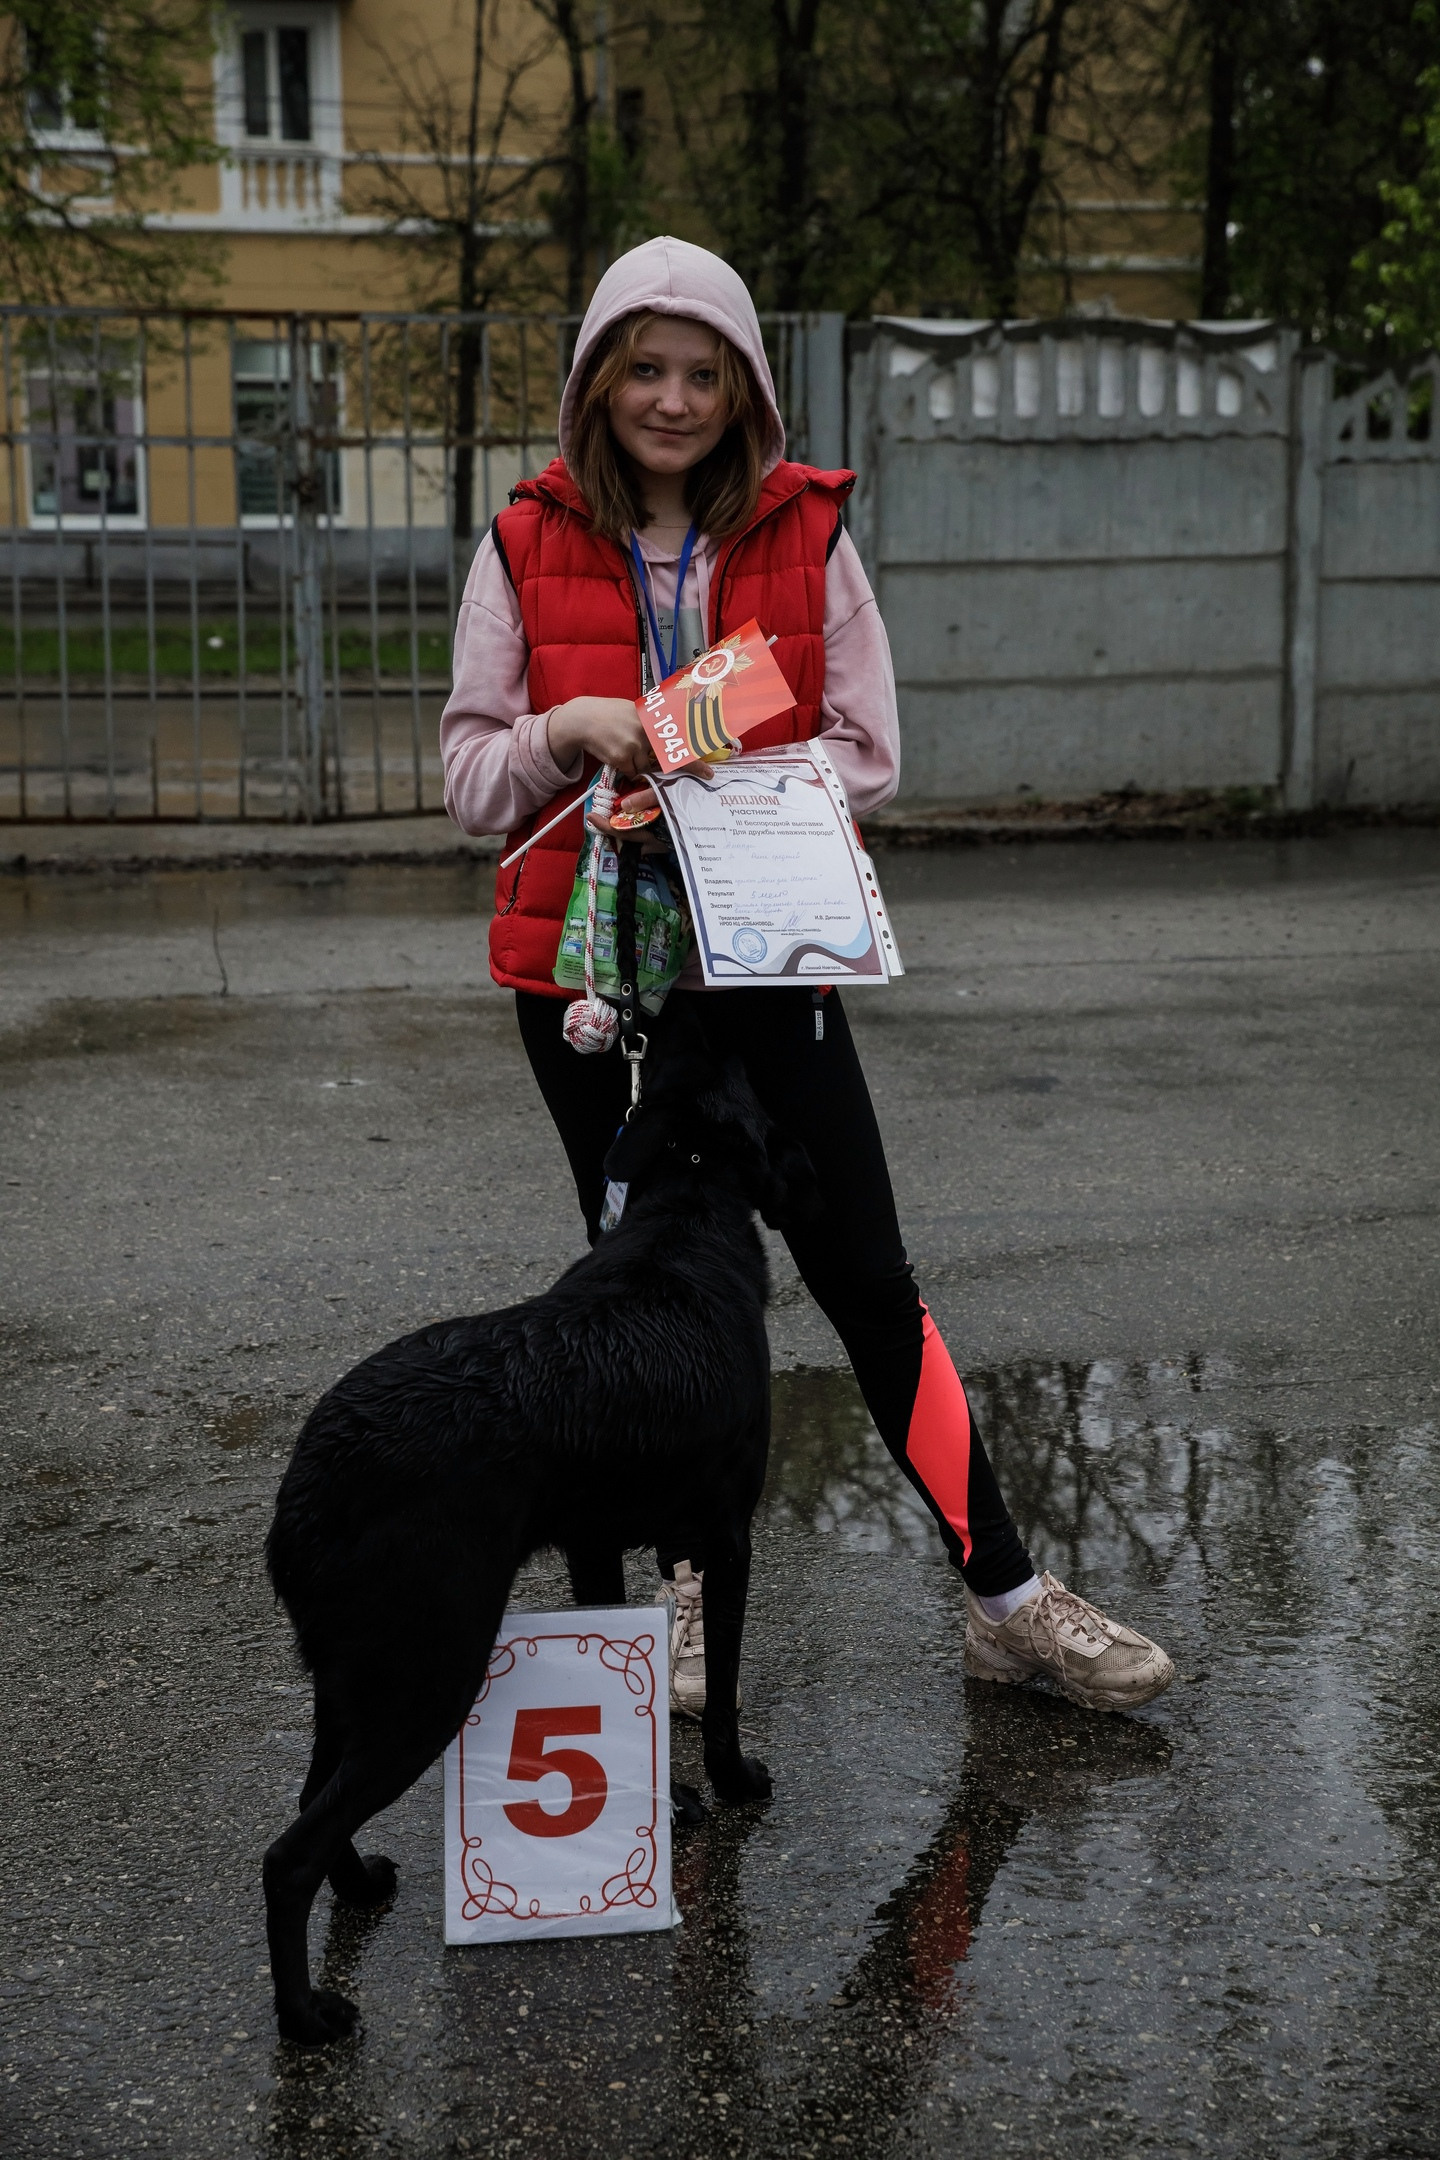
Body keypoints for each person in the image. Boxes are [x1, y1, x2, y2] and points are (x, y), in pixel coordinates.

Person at [440, 235, 1174, 1720]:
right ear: (597, 382)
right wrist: (566, 728)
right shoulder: (522, 544)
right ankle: (689, 1598)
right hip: (591, 988)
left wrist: (723, 770)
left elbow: (869, 751)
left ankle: (1008, 1599)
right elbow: (467, 777)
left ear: (745, 390)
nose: (672, 397)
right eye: (644, 368)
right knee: (656, 1304)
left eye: (702, 371)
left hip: (770, 969)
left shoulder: (804, 534)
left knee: (869, 1285)